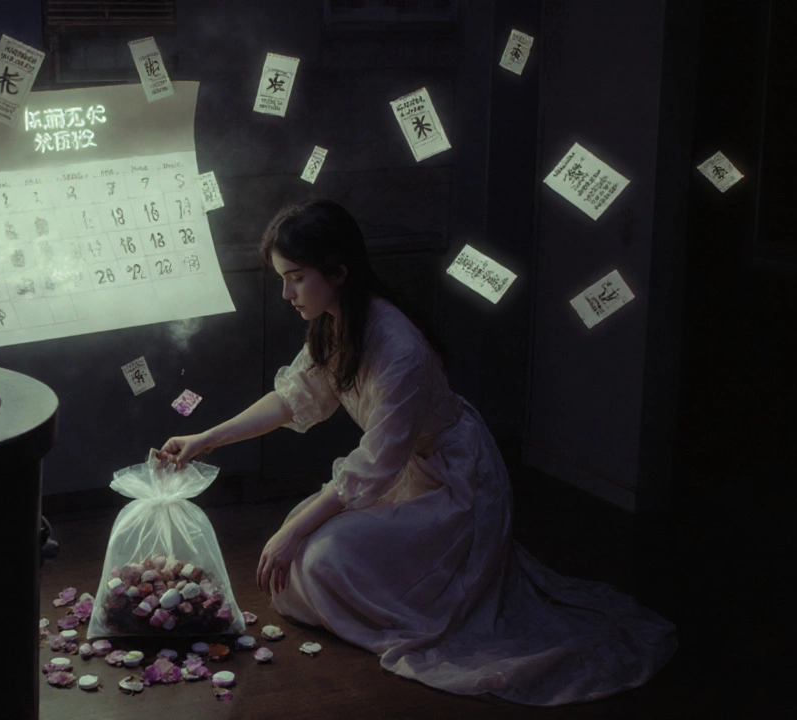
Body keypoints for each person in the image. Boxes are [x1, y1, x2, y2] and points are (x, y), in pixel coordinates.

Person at [158, 199, 678, 706]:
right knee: (297, 572)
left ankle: (422, 593)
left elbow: (374, 463)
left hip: (456, 485)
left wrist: (294, 528)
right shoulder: (336, 323)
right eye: (282, 279)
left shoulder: (396, 345)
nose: (287, 293)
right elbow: (292, 398)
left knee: (313, 555)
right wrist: (206, 438)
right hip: (401, 475)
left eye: (296, 277)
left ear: (337, 273)